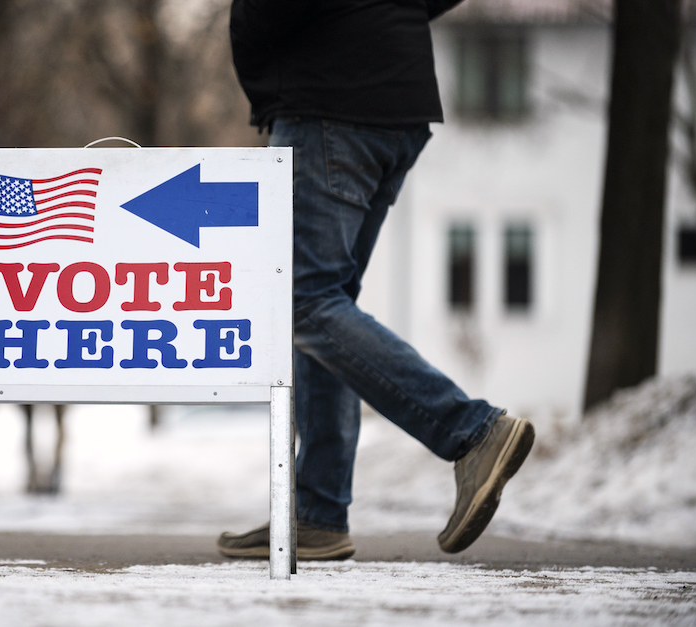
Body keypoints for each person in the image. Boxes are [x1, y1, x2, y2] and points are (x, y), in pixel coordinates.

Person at [216, 0, 535, 559]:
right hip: (394, 103)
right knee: (326, 307)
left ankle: (471, 432)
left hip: (329, 106)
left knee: (303, 302)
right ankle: (318, 514)